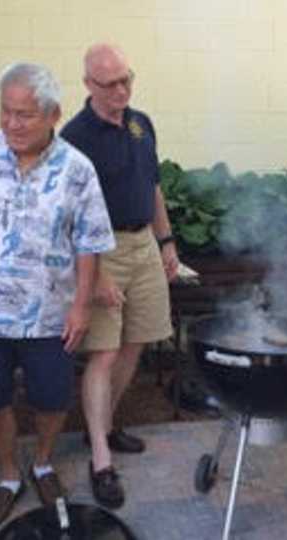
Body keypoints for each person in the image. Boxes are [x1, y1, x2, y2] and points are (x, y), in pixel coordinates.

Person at [0, 62, 115, 528]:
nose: (12, 124)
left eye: (25, 115)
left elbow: (90, 241)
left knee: (53, 399)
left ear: (54, 114)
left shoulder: (77, 170)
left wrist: (80, 305)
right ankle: (8, 475)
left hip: (50, 317)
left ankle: (41, 461)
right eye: (6, 112)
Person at [60, 43, 179, 509]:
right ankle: (101, 459)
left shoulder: (140, 122)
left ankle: (102, 426)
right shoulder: (73, 137)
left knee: (138, 340)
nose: (122, 90)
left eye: (127, 79)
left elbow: (152, 187)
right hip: (99, 250)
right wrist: (94, 275)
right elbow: (65, 217)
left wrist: (166, 243)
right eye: (110, 84)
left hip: (144, 243)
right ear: (89, 85)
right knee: (104, 353)